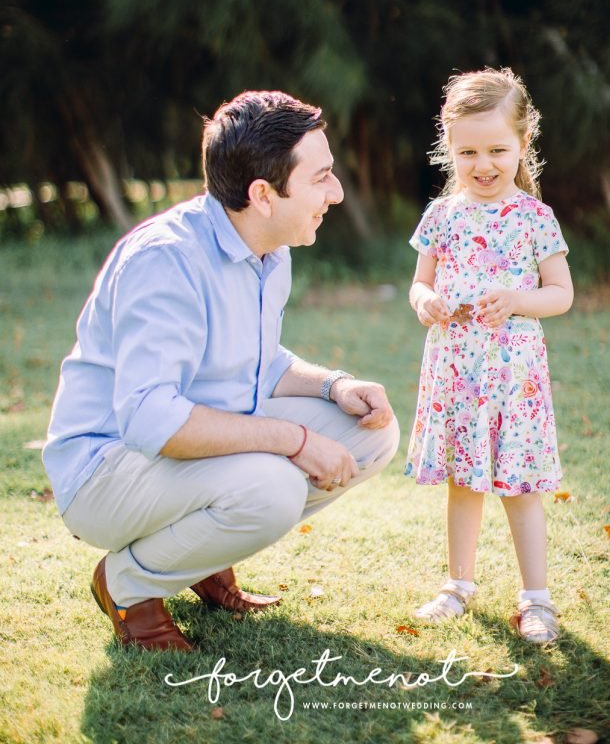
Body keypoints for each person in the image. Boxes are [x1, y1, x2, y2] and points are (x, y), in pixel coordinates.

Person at [43, 90, 399, 652]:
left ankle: (197, 555)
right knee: (275, 485)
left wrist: (336, 385)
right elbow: (150, 421)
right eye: (322, 177)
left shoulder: (268, 247)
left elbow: (259, 365)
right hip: (104, 471)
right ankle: (126, 585)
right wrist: (295, 440)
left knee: (369, 434)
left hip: (167, 456)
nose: (336, 192)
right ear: (263, 194)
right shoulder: (166, 261)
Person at [405, 67, 573, 644]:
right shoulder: (442, 215)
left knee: (520, 486)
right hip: (456, 368)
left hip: (514, 375)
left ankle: (536, 599)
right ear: (448, 147)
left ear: (523, 144)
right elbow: (418, 283)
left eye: (498, 149)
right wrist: (427, 301)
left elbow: (561, 294)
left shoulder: (534, 218)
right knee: (464, 481)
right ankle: (458, 585)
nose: (484, 164)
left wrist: (517, 298)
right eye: (469, 151)